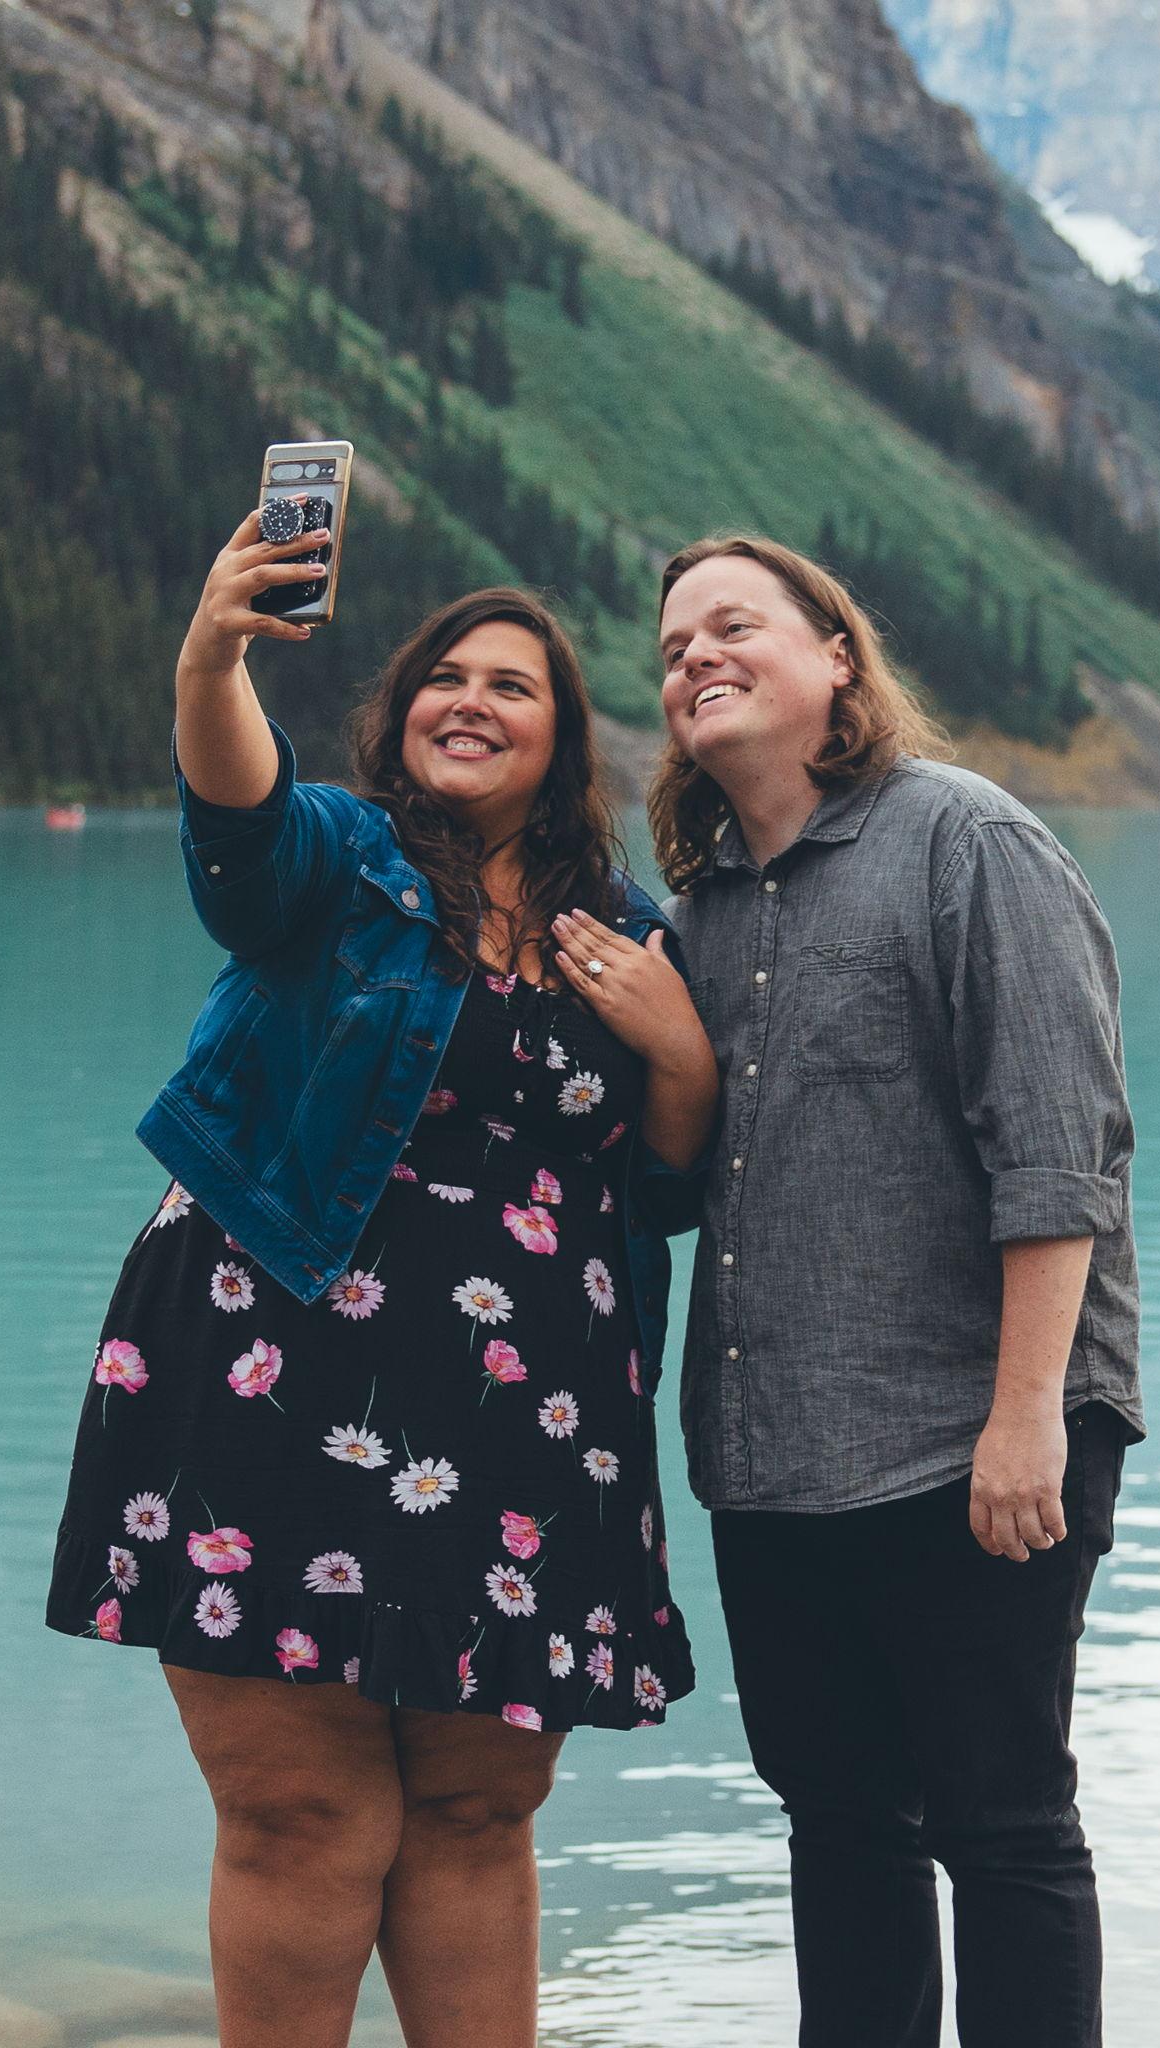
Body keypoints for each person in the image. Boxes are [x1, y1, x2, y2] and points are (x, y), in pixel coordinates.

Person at [46, 508, 717, 2048]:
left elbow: (666, 1181)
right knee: (298, 1808)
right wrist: (215, 649)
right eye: (446, 678)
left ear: (562, 744)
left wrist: (681, 1048)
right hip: (275, 1371)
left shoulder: (625, 931)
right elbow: (237, 809)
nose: (473, 699)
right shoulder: (336, 858)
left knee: (482, 1810)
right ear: (403, 712)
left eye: (516, 685)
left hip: (532, 1412)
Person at [651, 534, 1142, 2048]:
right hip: (778, 1455)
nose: (693, 661)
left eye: (734, 627)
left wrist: (1026, 1421)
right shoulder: (706, 908)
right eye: (671, 649)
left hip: (969, 1437)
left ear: (835, 659)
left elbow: (1062, 1155)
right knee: (839, 1822)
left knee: (1003, 1822)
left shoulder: (963, 843)